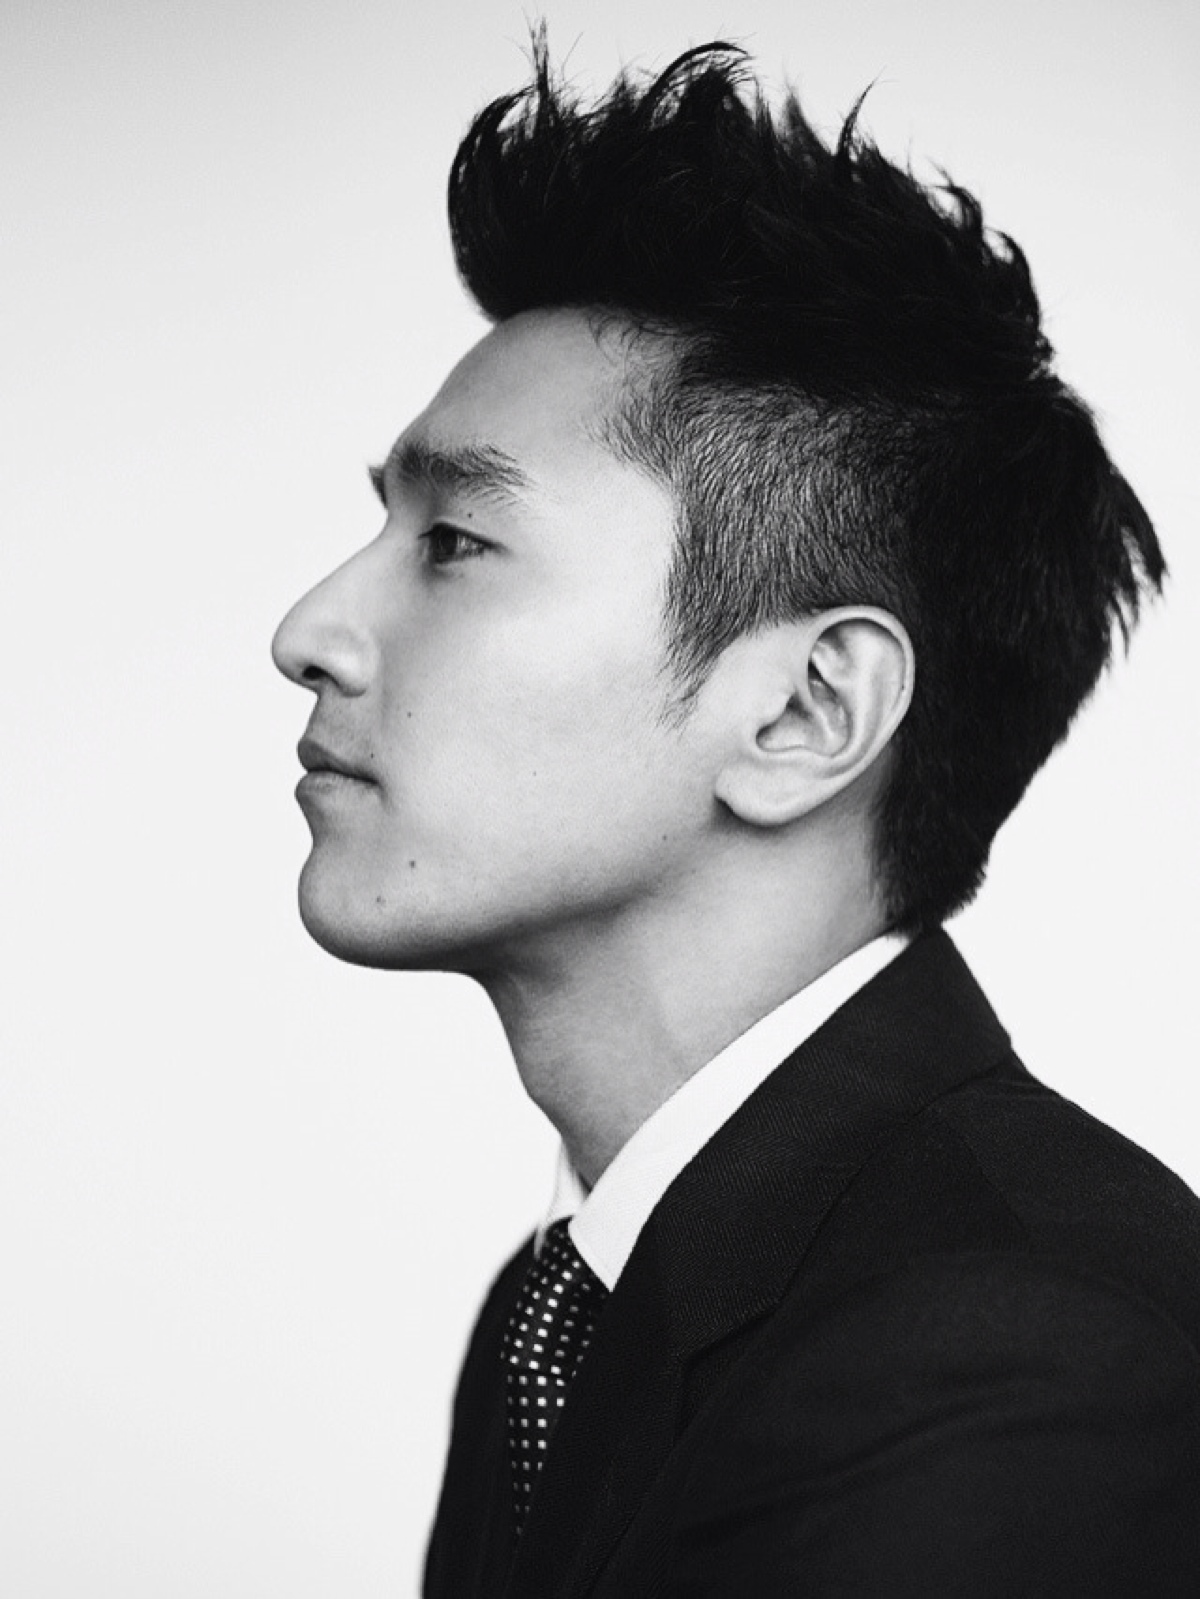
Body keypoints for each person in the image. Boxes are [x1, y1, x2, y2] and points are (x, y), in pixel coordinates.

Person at [271, 37, 1200, 1598]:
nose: (308, 631)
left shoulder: (1014, 1353)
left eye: (456, 542)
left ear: (806, 712)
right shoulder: (567, 1312)